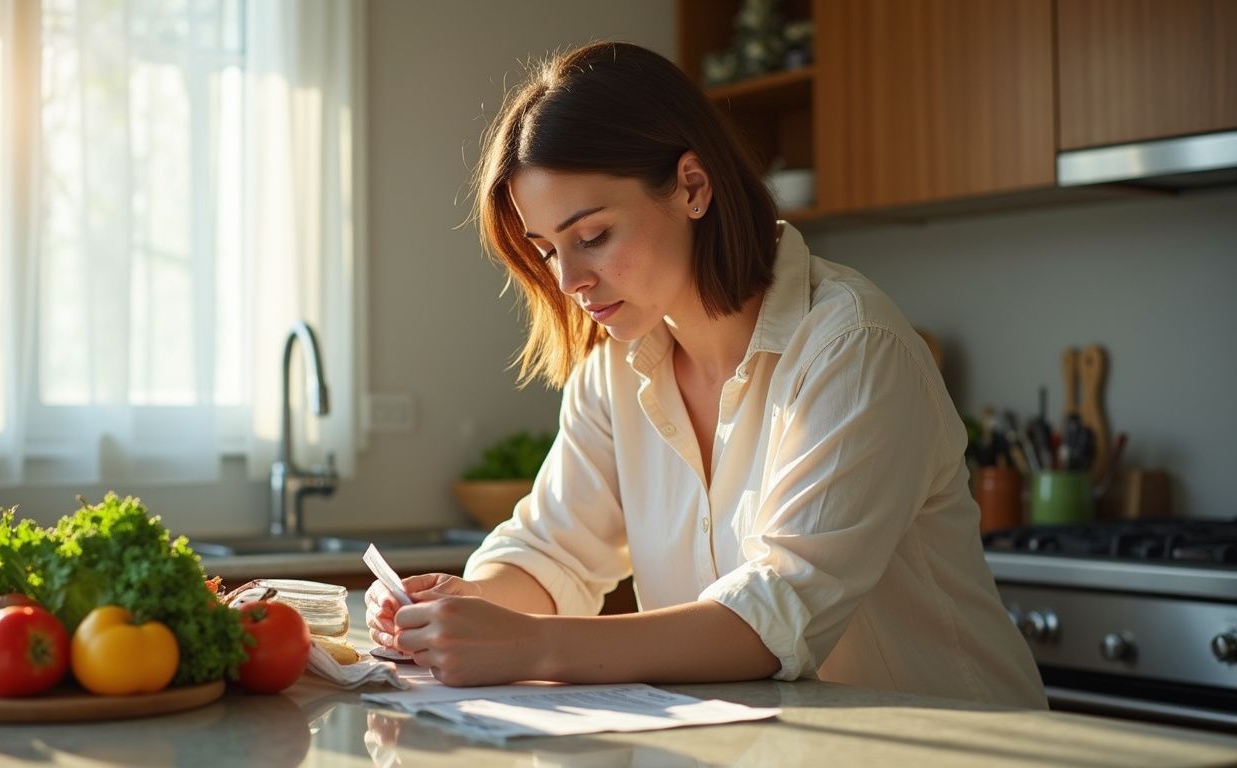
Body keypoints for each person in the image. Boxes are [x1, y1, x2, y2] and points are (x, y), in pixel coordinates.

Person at [366, 40, 1046, 709]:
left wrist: (529, 646)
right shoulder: (614, 371)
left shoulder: (852, 347)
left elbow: (775, 616)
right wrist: (462, 606)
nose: (569, 280)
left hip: (957, 749)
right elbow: (554, 553)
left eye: (593, 235)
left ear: (691, 186)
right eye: (547, 250)